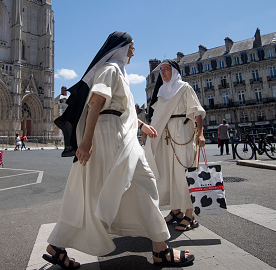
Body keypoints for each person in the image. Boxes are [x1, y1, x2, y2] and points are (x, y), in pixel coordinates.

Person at [46, 32, 194, 269]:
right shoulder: (111, 69)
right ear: (121, 47)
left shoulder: (118, 73)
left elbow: (122, 111)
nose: (133, 52)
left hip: (118, 133)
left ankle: (58, 245)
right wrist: (86, 141)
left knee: (95, 191)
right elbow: (96, 103)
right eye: (131, 47)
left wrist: (142, 125)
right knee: (142, 184)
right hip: (111, 137)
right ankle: (160, 250)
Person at [144, 60, 206, 232]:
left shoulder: (185, 88)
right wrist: (147, 132)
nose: (163, 72)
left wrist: (200, 133)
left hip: (184, 133)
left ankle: (190, 214)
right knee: (169, 174)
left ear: (175, 71)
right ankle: (176, 210)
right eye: (161, 70)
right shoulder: (162, 92)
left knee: (184, 173)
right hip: (166, 136)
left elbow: (197, 111)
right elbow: (156, 116)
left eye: (167, 69)